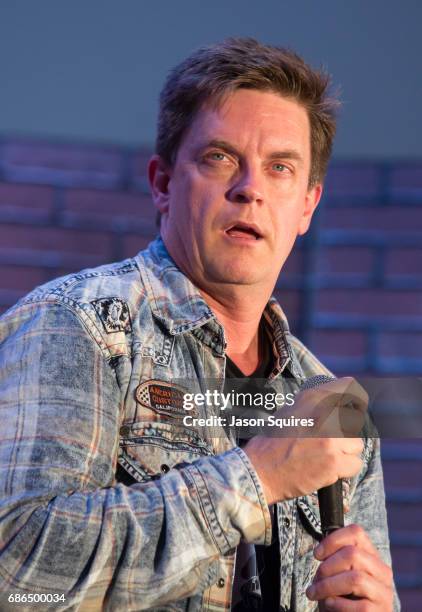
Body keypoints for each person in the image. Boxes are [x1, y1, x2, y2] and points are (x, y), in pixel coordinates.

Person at [0, 38, 399, 611]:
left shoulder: (335, 407)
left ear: (308, 205)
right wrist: (253, 479)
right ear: (162, 183)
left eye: (280, 167)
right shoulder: (75, 326)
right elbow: (16, 574)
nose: (250, 189)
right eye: (220, 157)